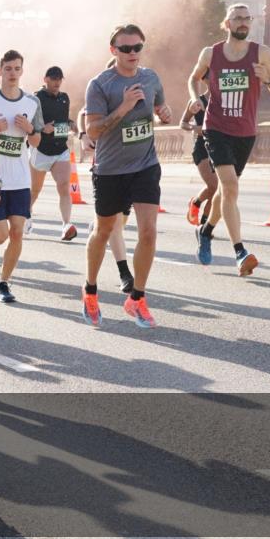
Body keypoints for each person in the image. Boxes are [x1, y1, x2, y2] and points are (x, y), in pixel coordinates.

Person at [82, 24, 171, 328]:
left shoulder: (151, 77)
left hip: (145, 166)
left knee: (148, 231)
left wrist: (164, 111)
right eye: (125, 49)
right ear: (114, 51)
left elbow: (159, 104)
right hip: (110, 171)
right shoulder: (100, 85)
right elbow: (93, 129)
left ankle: (137, 298)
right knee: (104, 230)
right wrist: (124, 107)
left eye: (137, 48)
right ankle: (90, 290)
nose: (132, 53)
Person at [190, 3, 270, 276]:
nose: (243, 22)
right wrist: (195, 97)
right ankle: (240, 252)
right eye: (237, 18)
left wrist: (267, 78)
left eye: (247, 18)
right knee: (230, 187)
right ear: (227, 23)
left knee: (224, 191)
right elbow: (193, 78)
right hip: (216, 128)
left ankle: (206, 230)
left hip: (245, 133)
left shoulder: (261, 53)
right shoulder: (211, 53)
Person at [0, 50, 43, 304]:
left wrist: (29, 129)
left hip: (20, 179)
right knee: (0, 236)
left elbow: (38, 141)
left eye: (17, 69)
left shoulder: (31, 102)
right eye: (8, 69)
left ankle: (4, 283)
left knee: (17, 232)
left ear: (22, 71)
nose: (12, 74)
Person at [78, 104, 134, 293]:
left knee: (117, 223)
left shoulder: (138, 87)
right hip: (106, 167)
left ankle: (98, 226)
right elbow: (83, 113)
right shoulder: (104, 89)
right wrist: (83, 134)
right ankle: (125, 274)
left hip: (132, 167)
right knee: (115, 225)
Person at [29, 66, 78, 241]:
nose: (57, 82)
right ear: (45, 79)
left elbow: (62, 120)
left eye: (59, 79)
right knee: (35, 190)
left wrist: (71, 123)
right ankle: (25, 217)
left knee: (64, 186)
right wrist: (42, 129)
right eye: (53, 78)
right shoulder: (36, 98)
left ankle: (66, 225)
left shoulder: (64, 98)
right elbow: (28, 124)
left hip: (60, 150)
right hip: (41, 150)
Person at [180, 81, 218, 226]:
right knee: (214, 186)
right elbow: (183, 123)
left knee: (216, 190)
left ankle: (201, 215)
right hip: (201, 148)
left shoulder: (223, 102)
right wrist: (195, 128)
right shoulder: (197, 102)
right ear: (206, 81)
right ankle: (203, 224)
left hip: (218, 148)